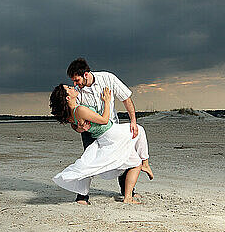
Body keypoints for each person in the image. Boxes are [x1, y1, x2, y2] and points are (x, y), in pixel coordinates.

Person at [67, 58, 152, 205]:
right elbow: (74, 118)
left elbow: (126, 99)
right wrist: (78, 128)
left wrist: (133, 121)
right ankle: (82, 197)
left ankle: (127, 192)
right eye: (73, 81)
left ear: (86, 74)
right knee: (89, 160)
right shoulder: (76, 93)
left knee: (125, 156)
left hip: (111, 128)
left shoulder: (107, 78)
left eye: (77, 80)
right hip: (91, 133)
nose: (75, 84)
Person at [50, 84, 153, 204]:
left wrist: (79, 128)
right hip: (110, 132)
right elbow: (104, 120)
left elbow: (76, 126)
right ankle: (145, 162)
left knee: (134, 161)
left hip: (102, 138)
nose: (72, 88)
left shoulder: (70, 113)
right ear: (68, 98)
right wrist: (107, 101)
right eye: (69, 88)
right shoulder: (79, 109)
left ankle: (128, 197)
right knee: (139, 129)